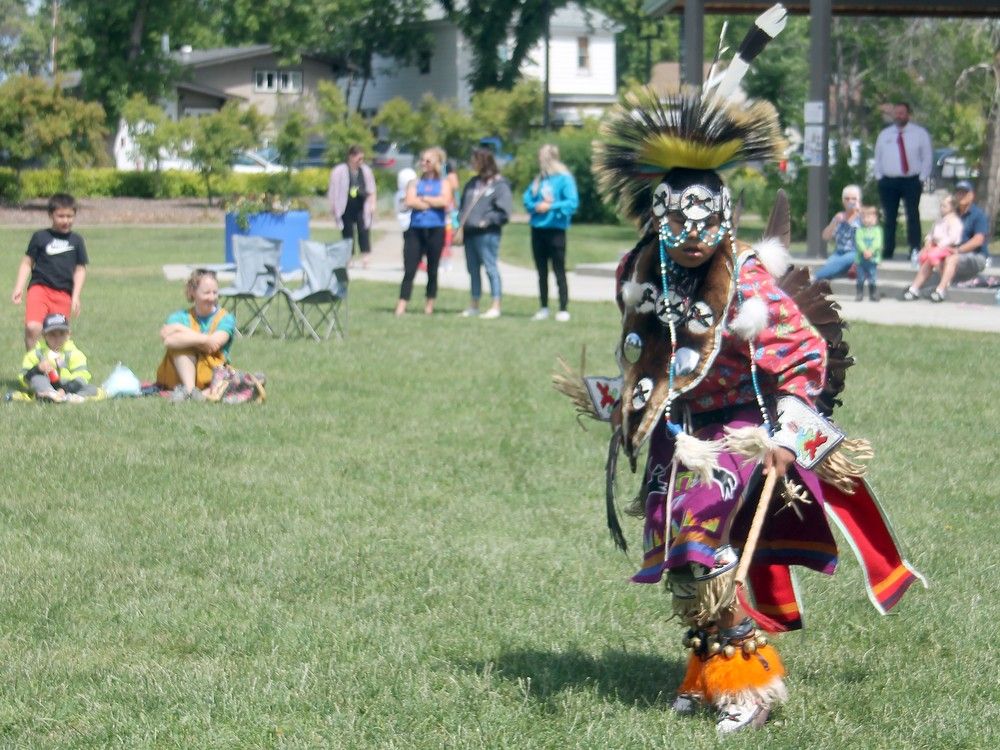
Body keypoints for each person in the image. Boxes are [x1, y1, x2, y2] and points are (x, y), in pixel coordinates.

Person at [568, 29, 923, 733]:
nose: (694, 238)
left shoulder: (750, 281)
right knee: (682, 563)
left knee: (703, 547)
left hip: (741, 426)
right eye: (679, 224)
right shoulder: (642, 271)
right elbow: (650, 352)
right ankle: (706, 670)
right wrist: (624, 398)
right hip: (680, 428)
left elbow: (805, 356)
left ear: (724, 218)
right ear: (660, 222)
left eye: (706, 223)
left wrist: (790, 431)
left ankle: (751, 684)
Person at [10, 193, 89, 350]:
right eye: (61, 216)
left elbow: (80, 270)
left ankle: (55, 370)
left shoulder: (76, 241)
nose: (66, 220)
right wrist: (19, 287)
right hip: (40, 289)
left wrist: (76, 296)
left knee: (58, 335)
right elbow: (27, 263)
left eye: (70, 216)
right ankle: (32, 366)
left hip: (63, 293)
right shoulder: (40, 237)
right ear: (50, 215)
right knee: (33, 327)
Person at [901, 180, 990, 302]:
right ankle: (914, 289)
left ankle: (941, 291)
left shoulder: (978, 215)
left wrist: (958, 250)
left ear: (972, 195)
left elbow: (978, 240)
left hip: (975, 257)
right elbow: (936, 232)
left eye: (965, 193)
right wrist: (929, 242)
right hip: (948, 252)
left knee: (951, 258)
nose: (961, 196)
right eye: (959, 193)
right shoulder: (951, 214)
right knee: (929, 259)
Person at [156, 269, 236, 401]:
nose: (212, 297)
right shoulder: (180, 317)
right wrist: (204, 339)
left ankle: (190, 392)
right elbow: (169, 341)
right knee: (181, 348)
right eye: (206, 293)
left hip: (211, 375)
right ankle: (190, 390)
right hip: (177, 375)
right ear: (193, 293)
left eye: (215, 292)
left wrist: (180, 330)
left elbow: (214, 344)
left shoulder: (225, 318)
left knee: (185, 344)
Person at [523, 144, 579, 322]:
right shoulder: (539, 179)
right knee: (541, 271)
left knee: (559, 269)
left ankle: (563, 308)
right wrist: (535, 207)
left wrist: (551, 206)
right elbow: (527, 200)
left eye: (543, 157)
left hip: (556, 230)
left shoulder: (564, 179)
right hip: (538, 229)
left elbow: (572, 202)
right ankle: (543, 307)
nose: (541, 161)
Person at [395, 148, 452, 317]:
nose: (423, 164)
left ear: (437, 163)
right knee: (410, 268)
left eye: (428, 161)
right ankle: (402, 304)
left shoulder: (444, 183)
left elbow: (445, 200)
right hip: (415, 229)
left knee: (432, 269)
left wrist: (425, 199)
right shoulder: (414, 183)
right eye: (422, 160)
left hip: (436, 229)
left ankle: (429, 304)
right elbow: (410, 200)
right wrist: (431, 202)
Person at [458, 147, 513, 319]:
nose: (472, 164)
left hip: (488, 233)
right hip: (470, 232)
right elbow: (463, 205)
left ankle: (495, 305)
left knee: (490, 268)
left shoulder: (500, 185)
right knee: (472, 269)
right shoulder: (472, 183)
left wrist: (487, 221)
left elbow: (504, 211)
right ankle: (474, 304)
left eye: (475, 160)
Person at [873, 102, 932, 261]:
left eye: (902, 113)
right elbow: (877, 158)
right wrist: (879, 176)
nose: (899, 116)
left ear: (908, 115)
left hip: (911, 180)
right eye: (896, 113)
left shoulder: (919, 134)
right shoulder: (885, 135)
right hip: (888, 181)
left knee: (912, 215)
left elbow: (927, 158)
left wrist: (921, 178)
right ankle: (888, 250)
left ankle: (914, 248)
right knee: (889, 216)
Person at [19, 313, 99, 402]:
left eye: (61, 334)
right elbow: (24, 377)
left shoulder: (74, 353)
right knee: (37, 378)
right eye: (52, 334)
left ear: (68, 334)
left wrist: (65, 389)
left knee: (91, 389)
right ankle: (48, 393)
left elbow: (82, 375)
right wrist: (37, 369)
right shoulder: (36, 353)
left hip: (68, 386)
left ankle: (66, 397)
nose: (57, 338)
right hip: (45, 384)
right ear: (44, 335)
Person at [328, 145, 377, 268]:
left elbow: (372, 188)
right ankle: (348, 258)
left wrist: (372, 204)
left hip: (361, 205)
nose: (361, 161)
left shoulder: (366, 171)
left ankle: (365, 258)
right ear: (351, 157)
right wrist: (333, 207)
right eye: (358, 158)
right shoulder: (339, 171)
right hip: (345, 205)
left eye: (362, 159)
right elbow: (333, 190)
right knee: (348, 233)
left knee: (364, 230)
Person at [814, 184, 862, 281]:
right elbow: (825, 236)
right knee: (832, 263)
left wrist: (858, 212)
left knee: (842, 261)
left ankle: (815, 277)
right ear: (843, 201)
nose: (850, 201)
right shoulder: (839, 217)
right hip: (839, 252)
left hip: (855, 252)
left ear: (858, 200)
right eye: (847, 199)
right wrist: (834, 222)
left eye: (853, 199)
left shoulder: (863, 217)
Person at [914, 194, 963, 270]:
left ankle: (944, 275)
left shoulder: (954, 221)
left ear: (952, 208)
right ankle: (927, 274)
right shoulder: (939, 220)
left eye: (944, 206)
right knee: (923, 256)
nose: (941, 208)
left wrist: (939, 246)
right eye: (941, 206)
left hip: (948, 247)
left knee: (932, 255)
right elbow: (931, 233)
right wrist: (928, 240)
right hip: (935, 245)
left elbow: (952, 238)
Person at [853, 206, 883, 301]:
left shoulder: (877, 231)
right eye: (864, 218)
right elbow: (859, 241)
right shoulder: (859, 230)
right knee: (860, 277)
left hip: (872, 259)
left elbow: (877, 242)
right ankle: (859, 293)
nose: (867, 220)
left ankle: (873, 293)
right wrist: (864, 250)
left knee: (872, 276)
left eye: (870, 217)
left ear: (875, 219)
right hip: (861, 259)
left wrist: (871, 251)